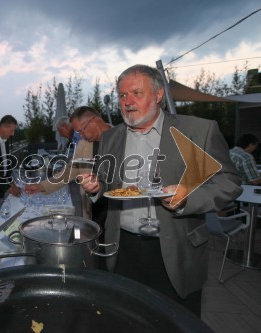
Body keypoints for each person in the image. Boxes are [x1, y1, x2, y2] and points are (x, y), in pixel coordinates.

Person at [79, 64, 242, 316]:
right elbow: (106, 182)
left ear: (157, 95)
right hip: (123, 250)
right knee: (127, 320)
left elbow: (228, 181)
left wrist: (189, 197)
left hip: (176, 251)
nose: (128, 102)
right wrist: (96, 187)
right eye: (123, 96)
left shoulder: (196, 131)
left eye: (136, 93)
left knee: (175, 321)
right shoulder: (112, 137)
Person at [25, 106, 111, 220]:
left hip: (116, 211)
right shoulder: (84, 144)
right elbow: (69, 172)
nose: (80, 136)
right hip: (92, 210)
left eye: (81, 130)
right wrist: (42, 186)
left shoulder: (121, 138)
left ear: (94, 122)